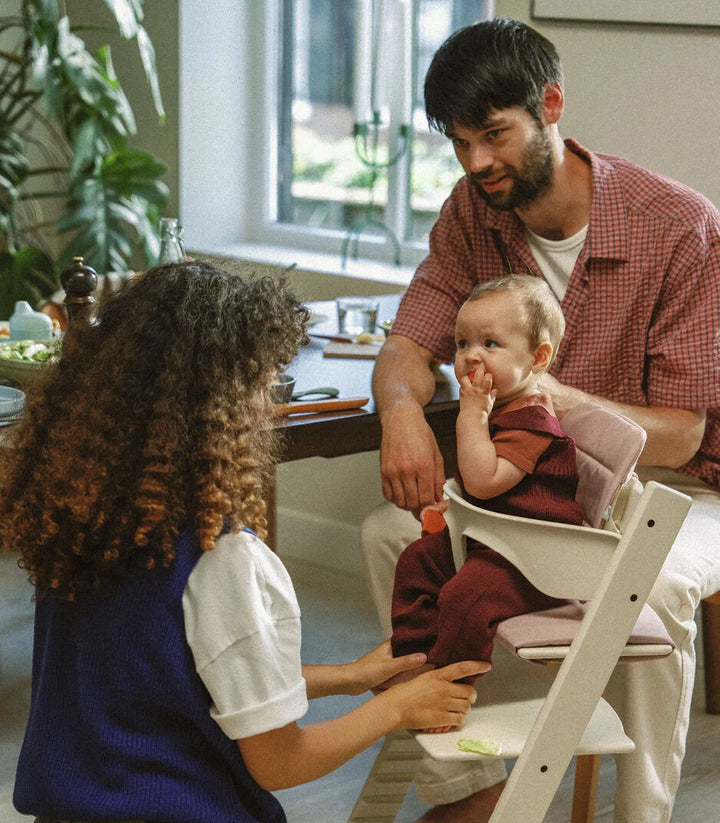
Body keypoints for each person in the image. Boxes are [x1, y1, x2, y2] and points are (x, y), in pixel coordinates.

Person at [362, 17, 720, 823]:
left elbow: (683, 433)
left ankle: (643, 813)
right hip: (544, 484)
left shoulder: (678, 225)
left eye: (494, 134)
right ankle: (477, 786)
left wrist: (563, 400)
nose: (478, 163)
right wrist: (399, 412)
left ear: (551, 105)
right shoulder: (470, 213)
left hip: (677, 487)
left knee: (650, 588)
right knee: (392, 533)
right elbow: (407, 344)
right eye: (459, 142)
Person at [0, 261, 486, 823]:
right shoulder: (223, 558)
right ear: (230, 401)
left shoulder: (85, 522)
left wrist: (351, 678)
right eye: (267, 380)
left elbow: (178, 675)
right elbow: (279, 764)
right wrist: (398, 707)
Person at [389, 276, 583, 718]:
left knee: (467, 597)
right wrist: (454, 504)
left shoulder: (532, 420)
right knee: (417, 561)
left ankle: (446, 691)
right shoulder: (507, 406)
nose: (470, 355)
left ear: (538, 358)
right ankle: (414, 661)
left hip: (538, 559)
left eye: (490, 343)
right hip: (499, 540)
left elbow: (484, 480)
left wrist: (472, 417)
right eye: (462, 343)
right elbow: (479, 490)